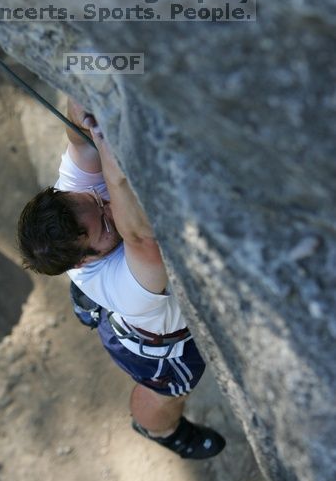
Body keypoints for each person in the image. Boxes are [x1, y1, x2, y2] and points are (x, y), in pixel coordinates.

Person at [17, 99, 225, 460]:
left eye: (97, 202)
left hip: (110, 290)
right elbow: (142, 240)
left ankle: (89, 305)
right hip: (159, 347)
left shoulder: (76, 210)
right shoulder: (123, 285)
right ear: (83, 260)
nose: (109, 206)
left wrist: (84, 103)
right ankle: (159, 429)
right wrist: (109, 151)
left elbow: (80, 140)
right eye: (105, 224)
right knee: (170, 392)